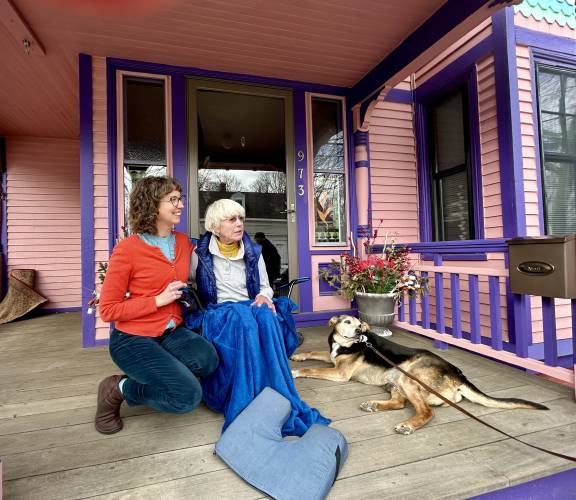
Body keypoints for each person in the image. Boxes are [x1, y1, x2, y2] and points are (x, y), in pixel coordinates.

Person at [187, 198, 329, 436]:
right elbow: (189, 281)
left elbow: (265, 286)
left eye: (241, 218)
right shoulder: (199, 253)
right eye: (232, 219)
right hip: (220, 310)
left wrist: (264, 296)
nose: (239, 224)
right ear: (215, 225)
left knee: (267, 316)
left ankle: (274, 392)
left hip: (249, 304)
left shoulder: (253, 251)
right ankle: (244, 395)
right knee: (242, 320)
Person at [95, 176, 219, 434]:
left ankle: (163, 372)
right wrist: (157, 301)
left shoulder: (184, 243)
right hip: (132, 339)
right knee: (186, 397)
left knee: (208, 360)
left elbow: (214, 255)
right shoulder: (127, 249)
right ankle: (118, 389)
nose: (180, 205)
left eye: (179, 198)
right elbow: (107, 310)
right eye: (172, 200)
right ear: (152, 205)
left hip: (171, 332)